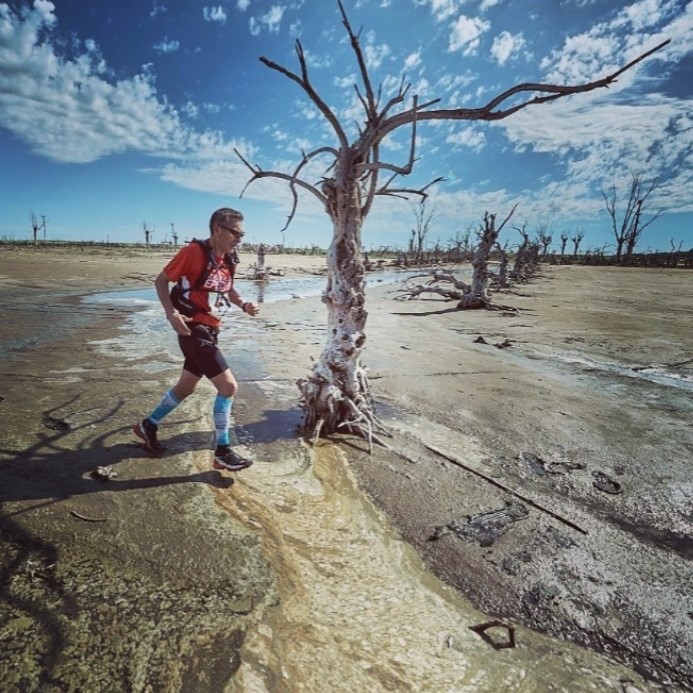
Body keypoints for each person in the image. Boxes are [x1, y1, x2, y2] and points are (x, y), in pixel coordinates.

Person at [133, 207, 259, 471]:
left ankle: (148, 425)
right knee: (229, 387)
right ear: (218, 230)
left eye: (242, 234)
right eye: (236, 232)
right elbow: (161, 280)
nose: (239, 238)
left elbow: (227, 287)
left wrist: (244, 303)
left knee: (185, 388)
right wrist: (171, 314)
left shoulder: (228, 259)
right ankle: (222, 451)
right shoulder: (194, 252)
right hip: (193, 330)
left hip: (211, 330)